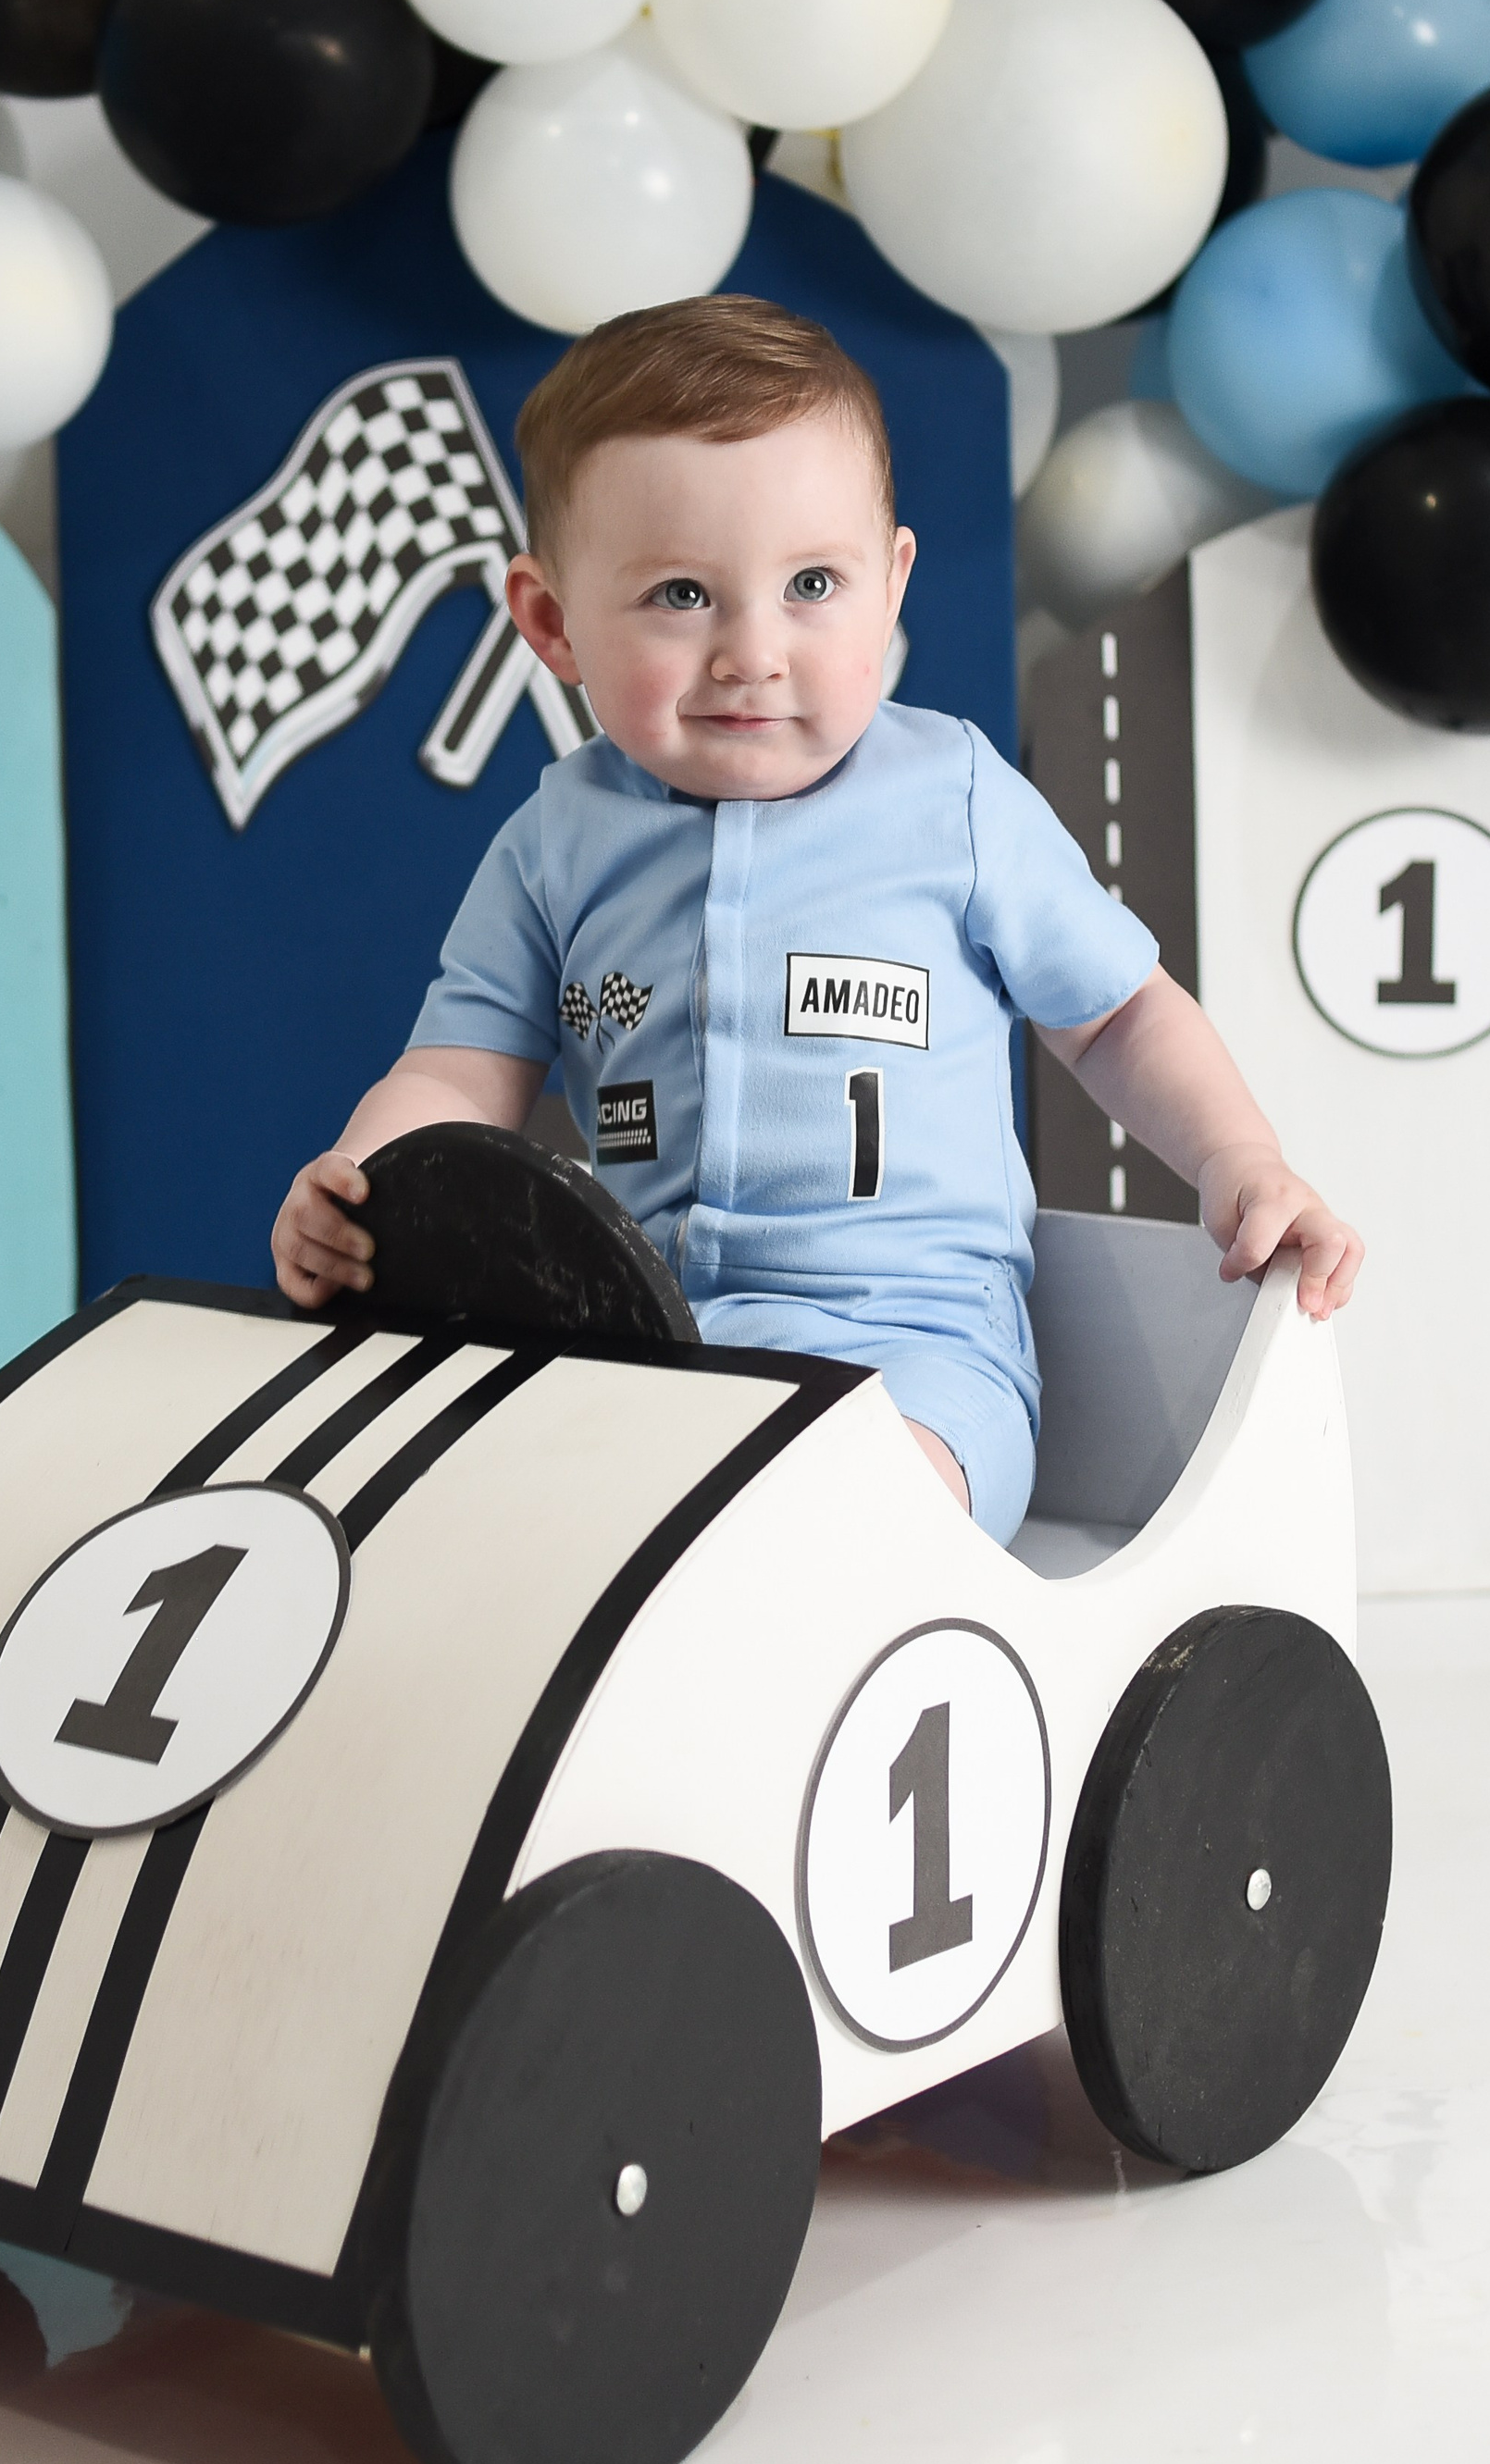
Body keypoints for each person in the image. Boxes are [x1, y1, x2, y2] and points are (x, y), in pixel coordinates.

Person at [271, 296, 1362, 1541]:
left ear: (890, 587)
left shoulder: (951, 798)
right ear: (552, 623)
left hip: (916, 1345)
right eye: (682, 594)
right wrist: (371, 1185)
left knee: (862, 1512)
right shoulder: (555, 842)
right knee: (475, 1514)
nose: (752, 650)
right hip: (639, 1345)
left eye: (810, 585)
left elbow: (1114, 1015)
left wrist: (1238, 1159)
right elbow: (460, 1069)